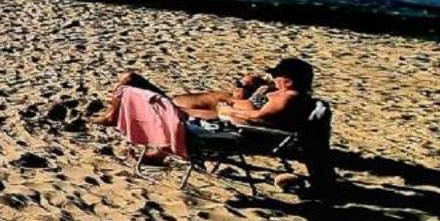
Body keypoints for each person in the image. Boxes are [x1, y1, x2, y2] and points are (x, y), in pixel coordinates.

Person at [97, 58, 316, 135]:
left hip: (208, 116)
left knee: (130, 80)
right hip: (206, 110)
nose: (273, 78)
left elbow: (257, 118)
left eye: (277, 76)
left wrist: (228, 109)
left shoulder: (286, 98)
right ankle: (114, 115)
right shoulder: (277, 91)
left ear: (289, 79)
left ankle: (112, 117)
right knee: (131, 81)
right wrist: (246, 88)